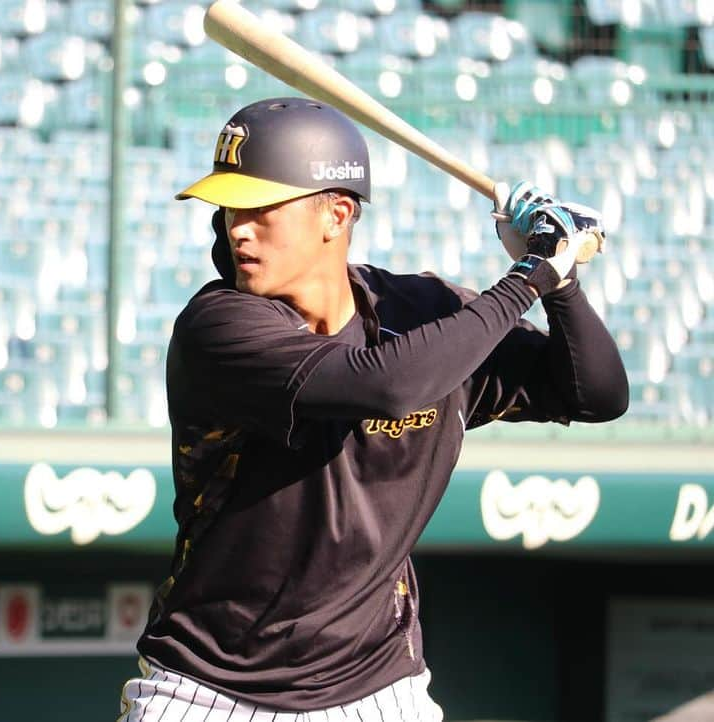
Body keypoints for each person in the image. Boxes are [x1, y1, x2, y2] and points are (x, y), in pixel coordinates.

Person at [117, 97, 629, 721]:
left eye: (259, 206)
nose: (236, 226)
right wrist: (527, 278)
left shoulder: (419, 312)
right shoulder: (218, 326)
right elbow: (385, 384)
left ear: (336, 215)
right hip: (211, 687)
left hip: (376, 687)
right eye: (228, 207)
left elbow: (598, 394)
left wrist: (564, 281)